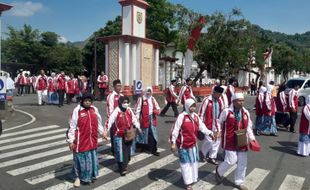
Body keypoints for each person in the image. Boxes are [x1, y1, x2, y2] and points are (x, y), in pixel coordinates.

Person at [170, 99, 214, 190]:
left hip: (193, 145)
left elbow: (202, 127)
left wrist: (210, 133)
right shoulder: (181, 117)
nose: (193, 108)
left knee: (194, 162)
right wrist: (173, 142)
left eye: (194, 106)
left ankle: (193, 178)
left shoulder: (196, 117)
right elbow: (175, 130)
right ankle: (187, 183)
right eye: (191, 106)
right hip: (183, 145)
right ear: (186, 106)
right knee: (185, 163)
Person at [215, 93, 256, 190]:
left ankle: (239, 182)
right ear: (233, 101)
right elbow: (218, 122)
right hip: (230, 140)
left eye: (243, 100)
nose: (242, 102)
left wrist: (252, 138)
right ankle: (219, 171)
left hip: (242, 140)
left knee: (242, 162)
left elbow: (249, 127)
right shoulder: (226, 112)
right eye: (239, 100)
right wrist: (218, 131)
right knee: (231, 161)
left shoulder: (245, 112)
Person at [66, 92, 104, 187]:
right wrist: (71, 140)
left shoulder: (94, 109)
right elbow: (72, 126)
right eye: (86, 101)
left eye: (89, 101)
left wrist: (102, 132)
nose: (87, 102)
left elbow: (98, 123)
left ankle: (89, 176)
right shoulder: (77, 110)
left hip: (92, 140)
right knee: (79, 160)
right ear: (82, 101)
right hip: (81, 141)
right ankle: (77, 177)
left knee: (91, 159)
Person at [104, 96, 141, 175]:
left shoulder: (129, 110)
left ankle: (125, 164)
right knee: (120, 152)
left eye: (127, 102)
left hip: (128, 135)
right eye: (124, 102)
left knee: (127, 151)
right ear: (120, 103)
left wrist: (138, 127)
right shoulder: (116, 111)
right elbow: (109, 121)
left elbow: (134, 119)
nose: (126, 104)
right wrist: (105, 131)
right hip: (119, 135)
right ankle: (122, 168)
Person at [198, 86, 224, 164]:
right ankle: (202, 153)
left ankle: (212, 157)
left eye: (220, 94)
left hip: (217, 124)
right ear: (214, 92)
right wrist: (200, 125)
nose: (219, 96)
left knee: (217, 140)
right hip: (207, 124)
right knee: (209, 140)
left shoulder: (220, 101)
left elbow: (222, 112)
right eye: (218, 94)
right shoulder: (206, 100)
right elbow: (201, 113)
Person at [135, 87, 161, 156]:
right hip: (144, 118)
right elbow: (137, 109)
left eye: (150, 91)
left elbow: (158, 107)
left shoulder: (152, 99)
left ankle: (154, 150)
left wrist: (156, 110)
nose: (149, 93)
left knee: (153, 134)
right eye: (148, 91)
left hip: (152, 118)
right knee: (143, 133)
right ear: (145, 91)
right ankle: (143, 147)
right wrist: (137, 119)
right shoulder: (141, 99)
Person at [106, 79, 123, 153]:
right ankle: (114, 150)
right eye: (117, 86)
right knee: (114, 135)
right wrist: (111, 120)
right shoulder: (111, 96)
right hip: (114, 120)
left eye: (120, 86)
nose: (119, 87)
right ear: (114, 87)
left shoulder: (122, 96)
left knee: (121, 135)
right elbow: (110, 109)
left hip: (122, 120)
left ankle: (120, 149)